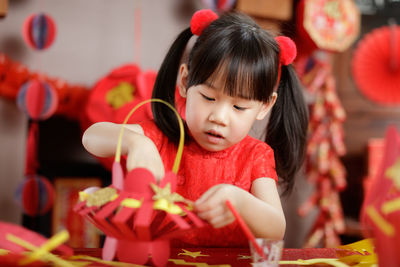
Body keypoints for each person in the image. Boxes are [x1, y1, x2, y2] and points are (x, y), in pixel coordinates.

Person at [82, 9, 309, 247]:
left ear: (265, 106)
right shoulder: (163, 138)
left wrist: (240, 202)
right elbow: (91, 136)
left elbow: (276, 229)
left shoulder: (254, 157)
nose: (219, 117)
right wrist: (135, 142)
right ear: (184, 82)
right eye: (208, 98)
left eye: (239, 107)